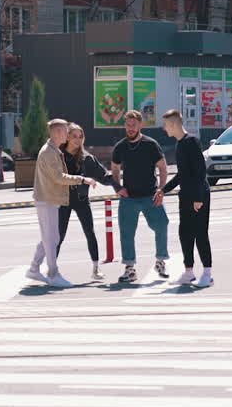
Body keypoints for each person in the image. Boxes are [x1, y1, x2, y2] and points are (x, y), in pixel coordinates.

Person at [28, 118, 96, 288]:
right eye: (66, 131)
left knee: (51, 237)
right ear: (58, 132)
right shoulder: (49, 152)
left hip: (49, 199)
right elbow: (58, 177)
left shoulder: (53, 150)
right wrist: (82, 179)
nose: (68, 134)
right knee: (51, 239)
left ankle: (34, 269)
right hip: (47, 199)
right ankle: (53, 273)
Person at [110, 110, 170, 283]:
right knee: (126, 233)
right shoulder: (120, 146)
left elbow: (163, 168)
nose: (130, 128)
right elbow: (114, 169)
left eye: (133, 125)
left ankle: (160, 262)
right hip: (128, 198)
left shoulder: (151, 144)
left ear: (140, 125)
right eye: (127, 125)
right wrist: (118, 187)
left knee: (162, 224)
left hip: (151, 195)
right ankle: (130, 269)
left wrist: (161, 190)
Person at [162, 109, 213, 288]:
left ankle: (207, 274)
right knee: (185, 234)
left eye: (166, 125)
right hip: (185, 196)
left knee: (200, 234)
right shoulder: (179, 144)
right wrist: (163, 190)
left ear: (175, 124)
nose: (164, 128)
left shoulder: (191, 142)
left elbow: (200, 171)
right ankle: (189, 272)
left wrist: (198, 198)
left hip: (199, 196)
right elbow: (182, 175)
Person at [57, 123, 111, 281]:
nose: (78, 139)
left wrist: (118, 183)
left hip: (81, 200)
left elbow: (103, 176)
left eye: (80, 136)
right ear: (67, 137)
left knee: (90, 232)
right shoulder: (59, 156)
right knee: (59, 235)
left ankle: (96, 268)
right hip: (63, 200)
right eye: (74, 136)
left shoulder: (87, 158)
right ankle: (52, 269)